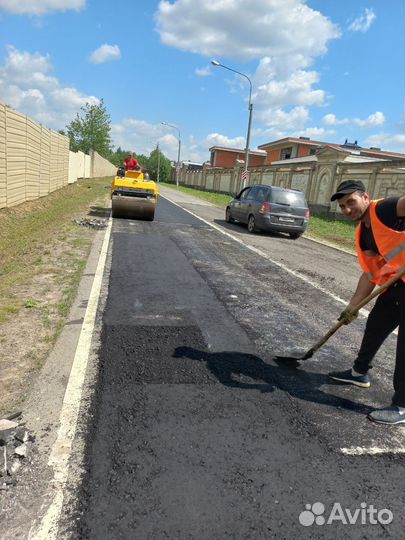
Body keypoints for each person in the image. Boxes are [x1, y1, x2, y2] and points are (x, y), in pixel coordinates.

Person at [328, 180, 405, 424]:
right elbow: (370, 274)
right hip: (397, 283)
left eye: (351, 202)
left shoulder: (386, 209)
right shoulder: (364, 234)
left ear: (365, 197)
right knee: (376, 324)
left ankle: (402, 406)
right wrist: (351, 308)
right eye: (342, 206)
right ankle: (359, 373)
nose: (347, 209)